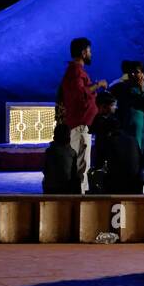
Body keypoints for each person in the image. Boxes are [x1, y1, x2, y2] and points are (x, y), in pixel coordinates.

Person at [59, 37, 107, 193]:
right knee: (81, 168)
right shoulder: (76, 71)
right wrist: (98, 85)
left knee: (80, 167)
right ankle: (81, 201)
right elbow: (81, 94)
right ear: (83, 52)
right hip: (79, 127)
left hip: (80, 125)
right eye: (89, 51)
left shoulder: (75, 72)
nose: (91, 54)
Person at [112, 60, 144, 193]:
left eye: (137, 72)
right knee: (132, 164)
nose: (134, 74)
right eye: (131, 72)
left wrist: (142, 90)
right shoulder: (125, 89)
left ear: (143, 74)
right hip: (130, 135)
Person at [98, 117, 144, 194]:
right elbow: (142, 162)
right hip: (136, 184)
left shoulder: (109, 141)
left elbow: (99, 164)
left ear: (108, 132)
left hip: (118, 186)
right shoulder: (133, 140)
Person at [41, 123, 81, 194]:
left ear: (54, 137)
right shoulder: (72, 152)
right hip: (67, 189)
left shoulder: (49, 151)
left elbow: (45, 170)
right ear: (69, 137)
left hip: (51, 188)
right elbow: (74, 173)